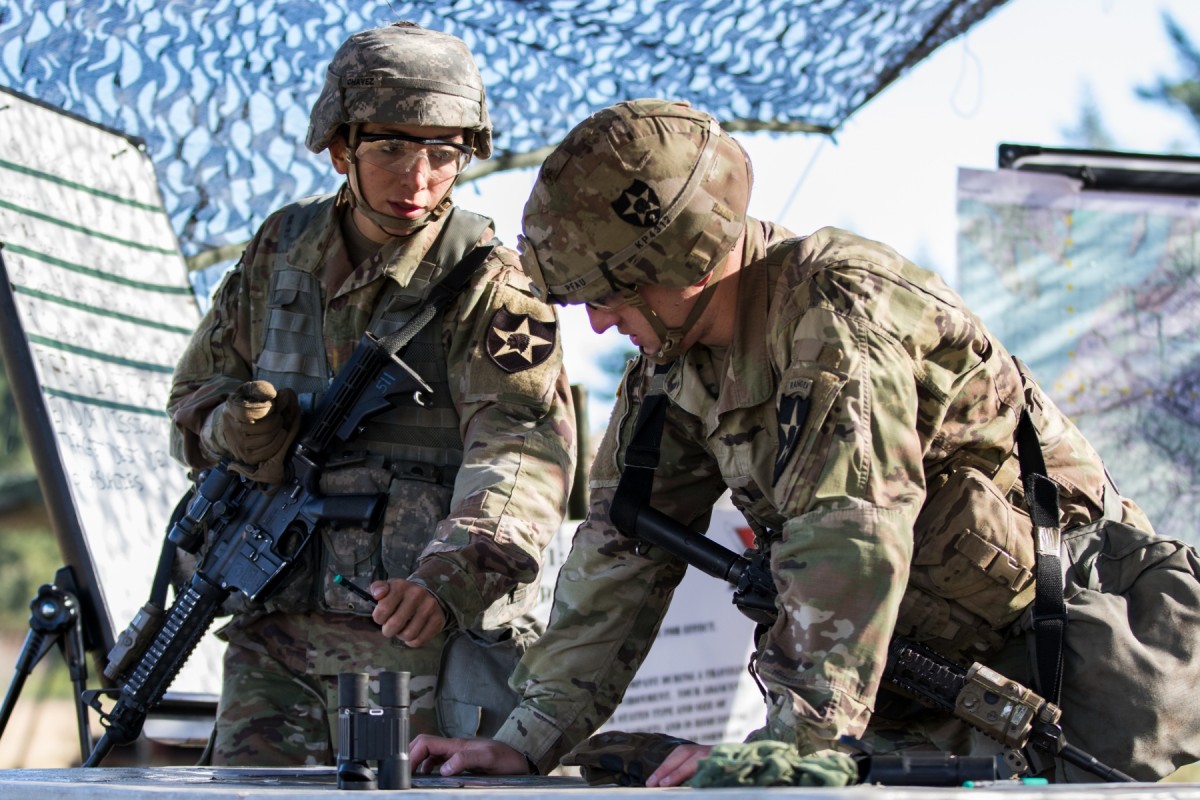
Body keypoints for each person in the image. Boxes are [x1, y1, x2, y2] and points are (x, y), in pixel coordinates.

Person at [408, 98, 1173, 785]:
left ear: (685, 261)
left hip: (1085, 668)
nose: (600, 324)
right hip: (931, 689)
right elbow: (620, 551)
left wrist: (791, 744)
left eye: (611, 295)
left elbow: (852, 527)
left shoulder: (838, 308)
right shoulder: (672, 368)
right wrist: (527, 739)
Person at [166, 22, 576, 766]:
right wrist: (235, 427)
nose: (417, 179)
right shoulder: (281, 251)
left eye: (443, 152)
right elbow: (191, 400)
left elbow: (522, 456)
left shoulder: (491, 284)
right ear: (340, 148)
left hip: (420, 637)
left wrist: (448, 577)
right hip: (275, 633)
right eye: (391, 147)